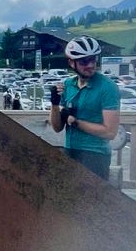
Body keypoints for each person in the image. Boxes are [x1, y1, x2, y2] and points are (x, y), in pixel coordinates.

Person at [48, 36, 121, 180]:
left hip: (95, 155)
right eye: (84, 61)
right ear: (71, 62)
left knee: (92, 202)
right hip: (70, 151)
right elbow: (57, 128)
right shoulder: (68, 85)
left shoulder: (108, 87)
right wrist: (55, 105)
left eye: (93, 59)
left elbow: (110, 132)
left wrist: (76, 122)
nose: (90, 65)